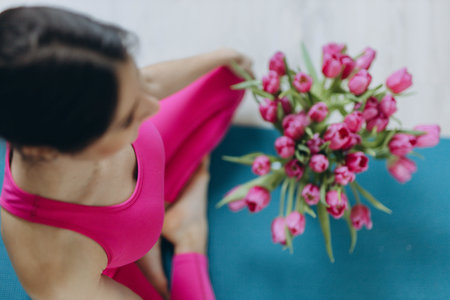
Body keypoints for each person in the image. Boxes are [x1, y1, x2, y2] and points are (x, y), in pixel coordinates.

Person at [0, 5, 253, 299]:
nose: (152, 107)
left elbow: (146, 86)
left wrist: (220, 55)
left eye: (135, 84)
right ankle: (187, 234)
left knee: (230, 76)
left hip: (140, 197)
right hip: (111, 254)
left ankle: (164, 210)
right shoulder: (57, 267)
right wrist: (189, 250)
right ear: (49, 149)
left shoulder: (95, 94)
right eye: (125, 118)